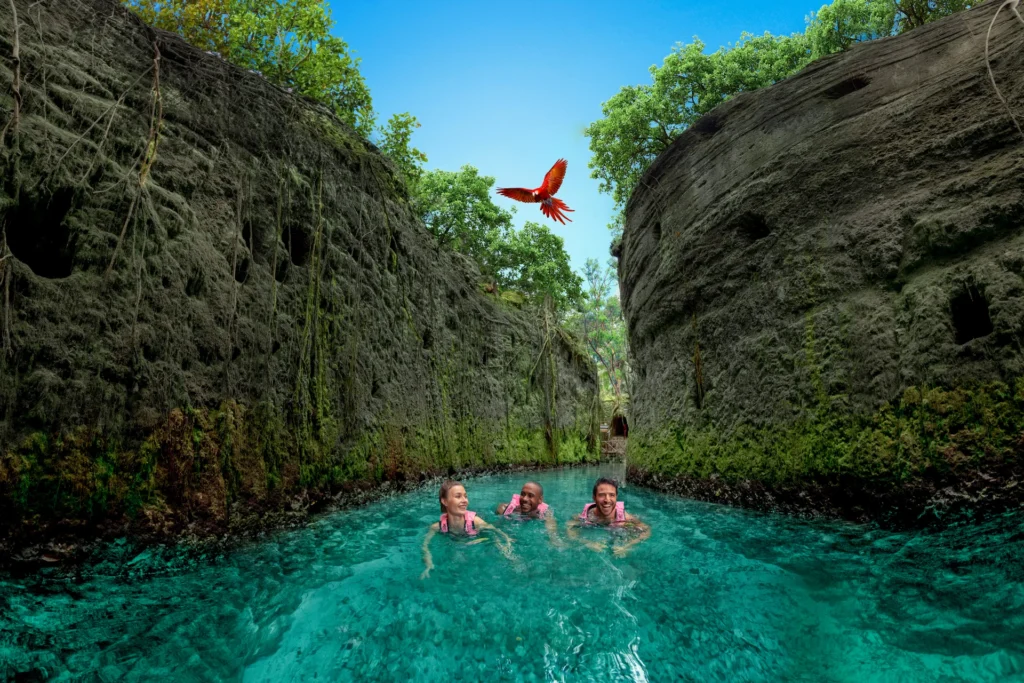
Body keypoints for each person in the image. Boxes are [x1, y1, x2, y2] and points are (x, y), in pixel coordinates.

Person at [421, 480, 512, 578]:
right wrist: (429, 565)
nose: (465, 501)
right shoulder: (436, 527)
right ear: (445, 501)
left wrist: (507, 544)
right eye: (458, 496)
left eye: (465, 496)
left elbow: (496, 532)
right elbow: (425, 546)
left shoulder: (476, 521)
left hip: (477, 537)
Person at [566, 477, 650, 556]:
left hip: (619, 530)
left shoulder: (625, 517)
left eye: (612, 495)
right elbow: (569, 527)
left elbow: (646, 530)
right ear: (594, 498)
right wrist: (587, 543)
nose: (607, 500)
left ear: (616, 497)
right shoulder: (587, 516)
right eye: (602, 495)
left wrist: (628, 546)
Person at [496, 481, 562, 546]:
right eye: (522, 494)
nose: (524, 499)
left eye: (530, 496)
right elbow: (496, 529)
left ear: (540, 500)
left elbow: (553, 536)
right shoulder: (503, 509)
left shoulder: (546, 513)